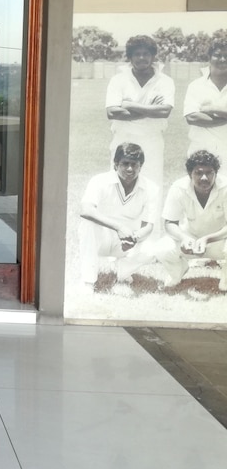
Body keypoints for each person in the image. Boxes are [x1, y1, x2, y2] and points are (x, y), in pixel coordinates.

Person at [78, 142, 159, 288]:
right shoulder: (100, 181)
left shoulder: (151, 188)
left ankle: (123, 272)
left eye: (134, 164)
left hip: (127, 241)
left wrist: (135, 238)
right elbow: (86, 210)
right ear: (115, 164)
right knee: (88, 225)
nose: (130, 169)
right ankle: (88, 281)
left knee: (153, 248)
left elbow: (148, 226)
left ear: (140, 166)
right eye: (125, 164)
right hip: (101, 238)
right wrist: (119, 227)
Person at [105, 35, 174, 189]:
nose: (141, 58)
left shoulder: (165, 81)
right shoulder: (118, 80)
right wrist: (150, 109)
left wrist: (129, 105)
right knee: (119, 186)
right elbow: (112, 112)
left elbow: (164, 111)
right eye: (137, 54)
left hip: (152, 140)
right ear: (130, 57)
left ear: (153, 56)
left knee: (151, 187)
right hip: (123, 139)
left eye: (146, 54)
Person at [153, 149, 227, 291]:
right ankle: (177, 272)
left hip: (219, 240)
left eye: (209, 172)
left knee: (224, 288)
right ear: (190, 174)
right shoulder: (178, 187)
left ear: (216, 173)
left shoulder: (226, 187)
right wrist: (184, 238)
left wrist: (207, 239)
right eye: (198, 173)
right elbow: (169, 223)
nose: (204, 177)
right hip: (191, 240)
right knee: (161, 248)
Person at [183, 40, 227, 161]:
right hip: (201, 149)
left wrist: (212, 109)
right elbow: (192, 117)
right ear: (209, 57)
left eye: (226, 55)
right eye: (217, 55)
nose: (223, 59)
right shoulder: (196, 85)